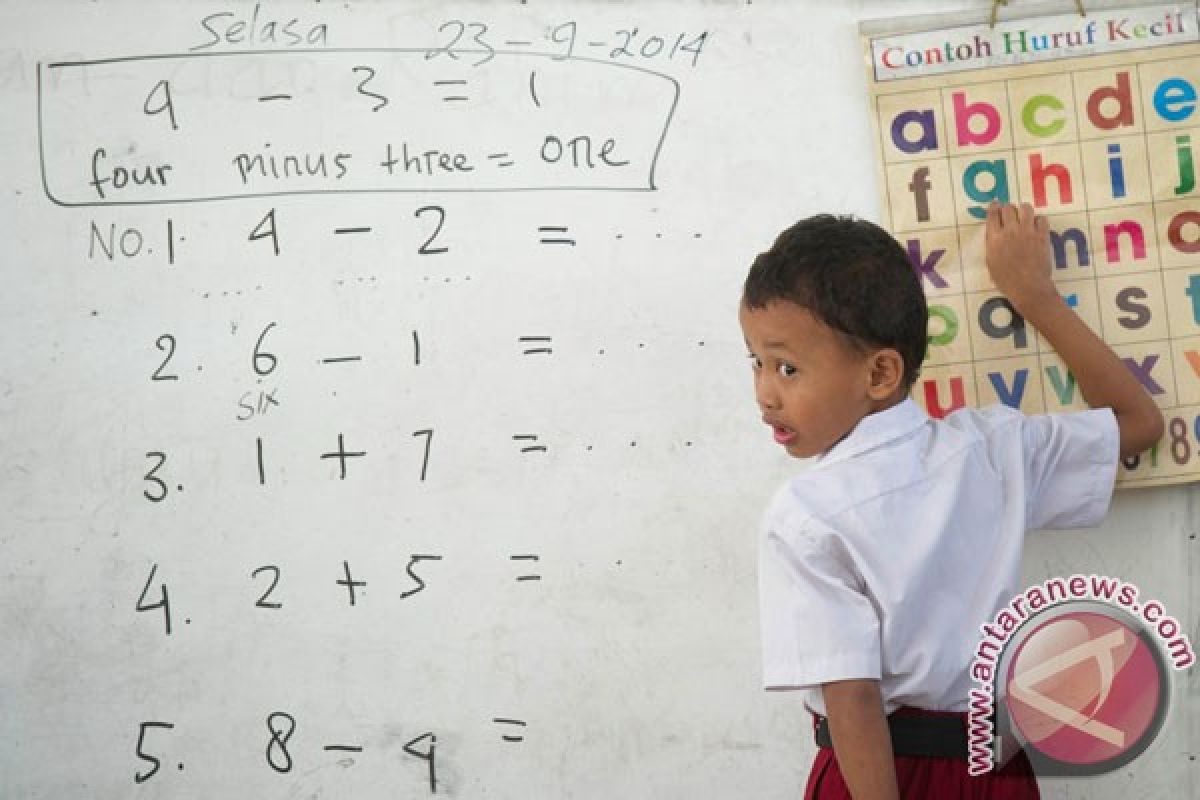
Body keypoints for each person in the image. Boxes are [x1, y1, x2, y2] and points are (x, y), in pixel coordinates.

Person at [739, 201, 1164, 800]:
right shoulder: (992, 450)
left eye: (786, 368)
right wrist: (1033, 294)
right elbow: (1138, 422)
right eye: (755, 362)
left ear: (882, 373)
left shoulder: (806, 515)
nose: (764, 393)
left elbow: (852, 698)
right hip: (996, 776)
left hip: (879, 779)